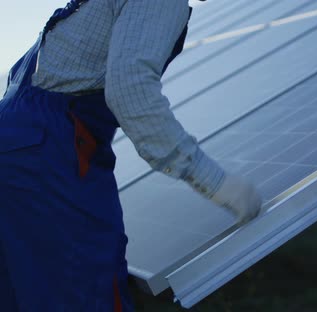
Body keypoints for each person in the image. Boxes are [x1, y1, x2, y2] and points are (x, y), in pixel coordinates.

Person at [0, 0, 262, 310]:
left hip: (17, 146)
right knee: (85, 289)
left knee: (27, 289)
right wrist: (215, 183)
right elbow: (131, 92)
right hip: (47, 156)